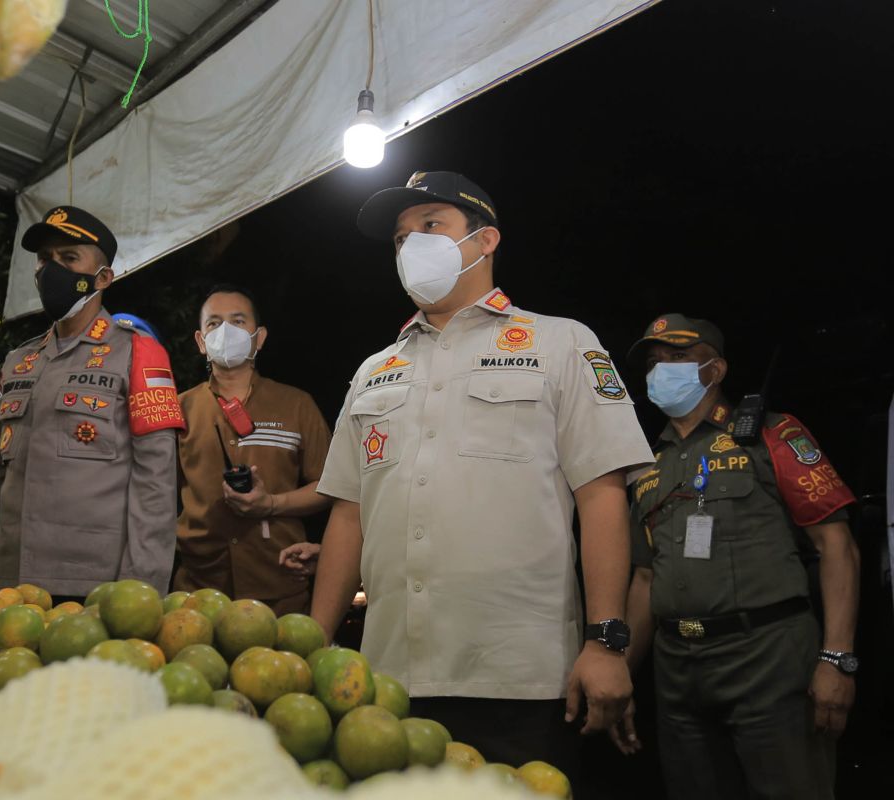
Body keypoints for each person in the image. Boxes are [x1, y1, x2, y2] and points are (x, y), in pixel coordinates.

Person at [309, 171, 655, 778]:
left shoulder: (560, 343)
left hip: (519, 674)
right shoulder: (373, 371)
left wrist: (605, 641)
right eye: (399, 238)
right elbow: (348, 512)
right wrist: (312, 642)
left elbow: (602, 494)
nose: (411, 245)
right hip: (389, 678)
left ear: (485, 240)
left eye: (431, 225)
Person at [611, 313, 859, 800]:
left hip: (768, 658)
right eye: (655, 361)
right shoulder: (644, 465)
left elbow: (838, 546)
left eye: (679, 357)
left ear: (716, 369)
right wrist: (619, 673)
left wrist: (837, 659)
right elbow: (643, 579)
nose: (664, 369)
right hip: (678, 671)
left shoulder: (772, 434)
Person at [0, 205, 186, 597]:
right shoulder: (19, 361)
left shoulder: (137, 353)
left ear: (103, 277)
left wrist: (140, 591)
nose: (52, 269)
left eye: (69, 258)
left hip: (92, 588)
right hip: (8, 585)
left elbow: (156, 484)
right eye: (45, 259)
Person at [174, 284, 332, 614]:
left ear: (259, 338)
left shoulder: (296, 405)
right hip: (197, 591)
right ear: (201, 342)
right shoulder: (179, 409)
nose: (226, 331)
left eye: (238, 321)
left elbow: (329, 487)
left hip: (278, 585)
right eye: (214, 324)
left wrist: (272, 504)